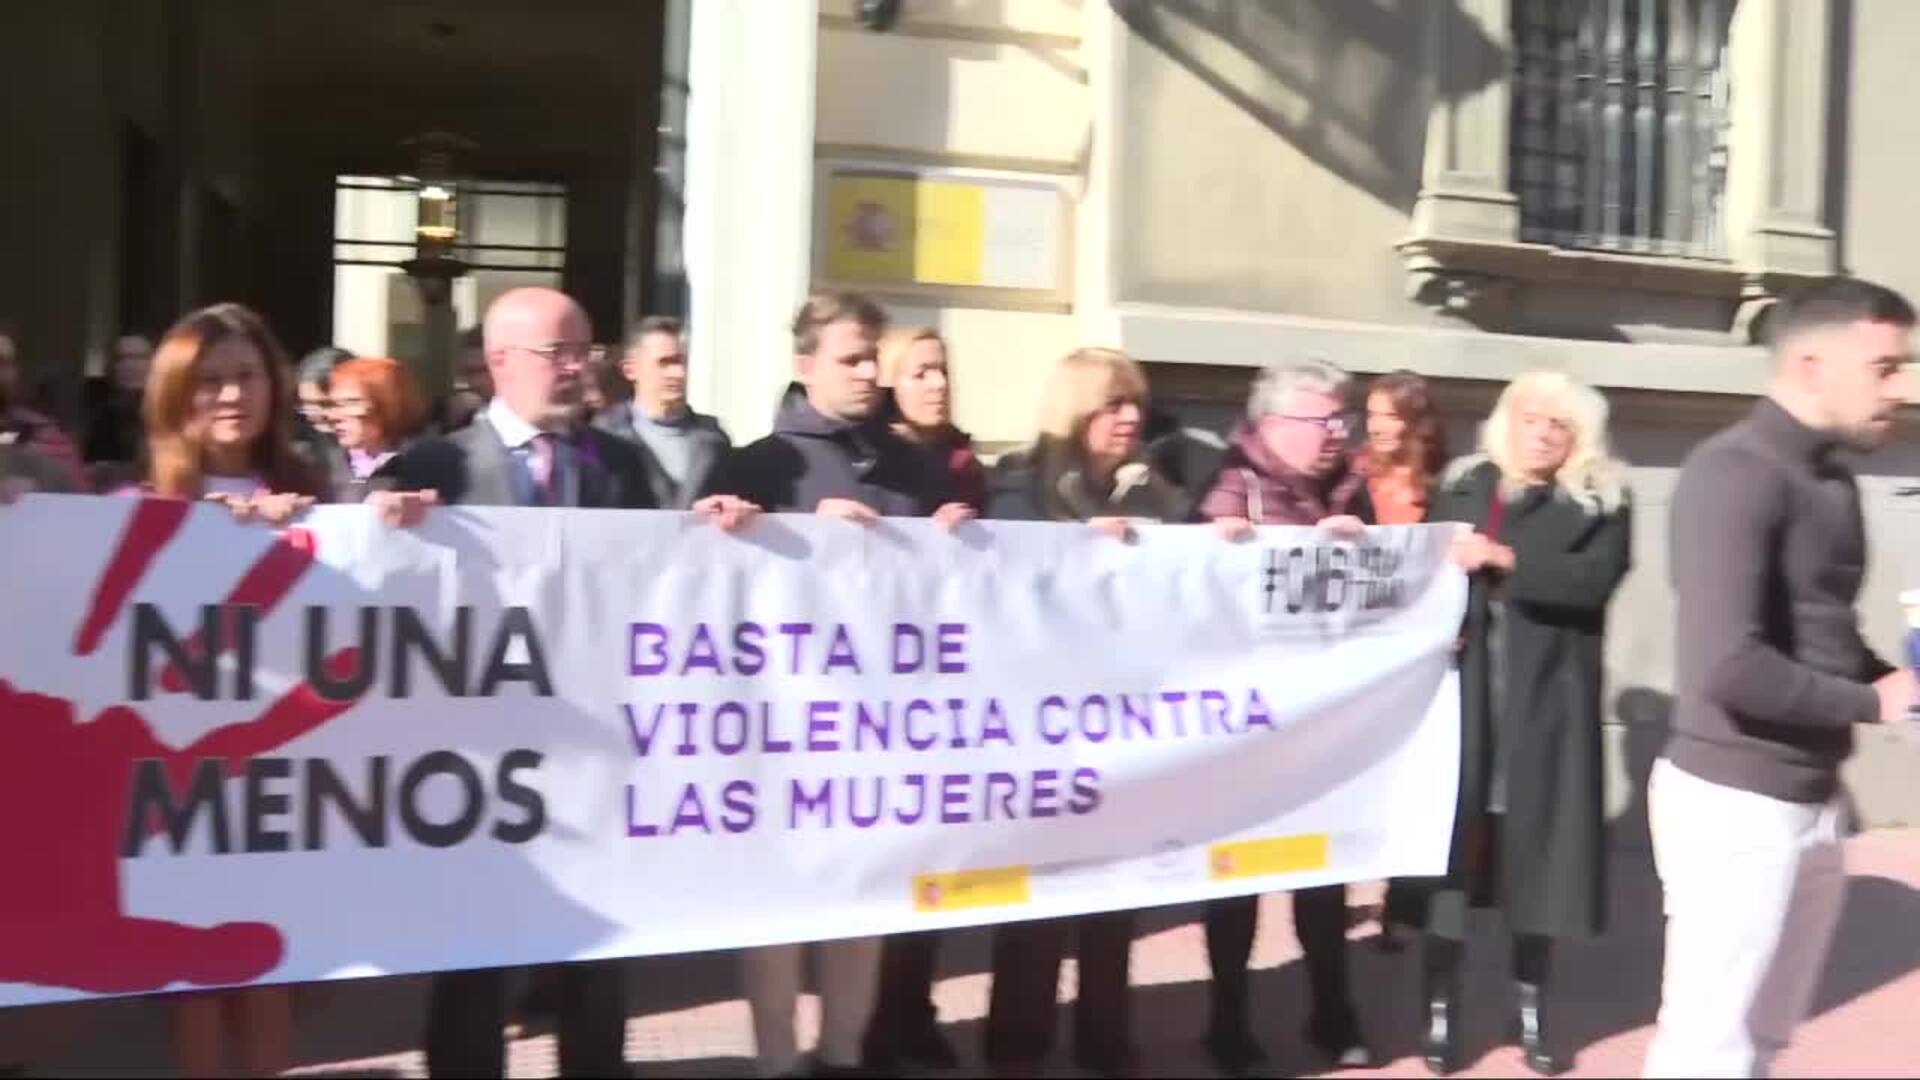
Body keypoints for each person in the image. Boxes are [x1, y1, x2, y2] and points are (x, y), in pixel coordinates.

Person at [1644, 279, 1917, 1079]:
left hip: (1814, 801)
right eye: (1883, 368)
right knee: (1707, 1046)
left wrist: (1894, 675)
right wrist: (1874, 699)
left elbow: (1823, 634)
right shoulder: (1733, 473)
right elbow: (1729, 665)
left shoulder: (1830, 481)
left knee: (1763, 1040)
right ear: (1809, 364)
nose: (1900, 389)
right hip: (1734, 805)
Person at [703, 290, 970, 1080]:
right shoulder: (754, 463)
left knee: (866, 895)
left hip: (883, 722)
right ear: (804, 364)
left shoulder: (913, 465)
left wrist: (961, 542)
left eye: (870, 359)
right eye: (849, 358)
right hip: (781, 725)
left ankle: (845, 1052)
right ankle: (778, 1060)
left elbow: (952, 592)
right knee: (779, 905)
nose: (865, 373)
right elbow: (704, 584)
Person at [1413, 370, 1632, 1077]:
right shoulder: (1467, 487)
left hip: (1548, 713)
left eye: (1558, 425)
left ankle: (1531, 1006)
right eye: (1531, 418)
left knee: (1540, 864)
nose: (1541, 433)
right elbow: (1418, 575)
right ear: (1506, 420)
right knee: (1447, 862)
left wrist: (1503, 559)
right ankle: (1441, 1008)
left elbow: (1592, 582)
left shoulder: (1602, 498)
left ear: (1580, 438)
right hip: (1464, 706)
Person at [134, 303, 331, 1077]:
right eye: (209, 380)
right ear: (176, 393)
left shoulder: (319, 491)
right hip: (181, 776)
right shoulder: (133, 505)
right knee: (194, 969)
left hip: (290, 773)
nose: (229, 396)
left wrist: (386, 518)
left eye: (245, 376)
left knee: (270, 962)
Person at [980, 347, 1184, 1080]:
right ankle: (1015, 1049)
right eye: (1112, 405)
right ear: (1076, 411)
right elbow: (1006, 575)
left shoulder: (1155, 488)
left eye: (1136, 405)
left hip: (1125, 724)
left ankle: (1106, 1043)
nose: (1131, 419)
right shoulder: (1017, 484)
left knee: (1115, 897)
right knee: (1036, 905)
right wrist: (1076, 548)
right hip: (1041, 728)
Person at [1196, 359, 1376, 1075]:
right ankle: (1228, 1020)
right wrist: (1223, 550)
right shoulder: (1228, 488)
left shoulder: (1352, 490)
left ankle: (1333, 1011)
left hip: (1321, 723)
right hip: (1243, 723)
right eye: (1320, 421)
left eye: (1343, 419)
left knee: (1324, 876)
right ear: (1272, 425)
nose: (1336, 434)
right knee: (1236, 879)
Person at [858, 327, 987, 1074]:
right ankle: (870, 1022)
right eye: (920, 371)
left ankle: (916, 1012)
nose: (938, 383)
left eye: (944, 369)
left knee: (935, 877)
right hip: (876, 692)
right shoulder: (877, 463)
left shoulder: (971, 467)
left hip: (951, 696)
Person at [1362, 371, 1450, 952]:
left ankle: (1401, 903)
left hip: (1420, 646)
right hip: (1362, 643)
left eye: (1391, 415)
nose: (1379, 426)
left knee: (1413, 773)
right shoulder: (1352, 476)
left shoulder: (1441, 483)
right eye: (1372, 414)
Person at [592, 316, 732, 509]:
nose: (678, 373)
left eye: (682, 362)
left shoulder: (714, 439)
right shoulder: (603, 435)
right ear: (631, 370)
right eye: (664, 363)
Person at [324, 357, 427, 503]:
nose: (333, 416)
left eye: (351, 403)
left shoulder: (425, 467)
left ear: (389, 405)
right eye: (334, 405)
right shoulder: (321, 467)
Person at [0, 323, 85, 492]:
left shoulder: (46, 439)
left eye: (3, 362)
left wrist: (39, 487)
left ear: (15, 372)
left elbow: (78, 507)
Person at [80, 333, 152, 480]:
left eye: (138, 358)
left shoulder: (173, 410)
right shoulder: (97, 413)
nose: (129, 366)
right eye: (122, 359)